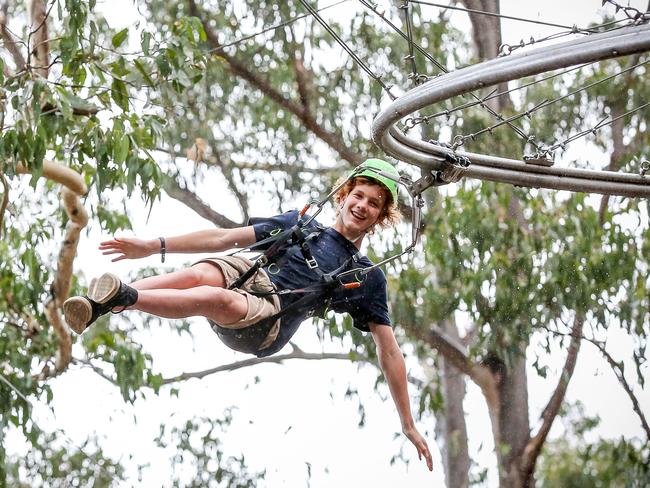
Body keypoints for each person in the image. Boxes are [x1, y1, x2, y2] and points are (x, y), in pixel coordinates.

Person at [63, 159, 433, 471]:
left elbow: (389, 350)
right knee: (199, 275)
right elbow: (224, 239)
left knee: (214, 297)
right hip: (251, 278)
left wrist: (408, 423)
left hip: (266, 323)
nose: (363, 206)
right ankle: (104, 301)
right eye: (359, 196)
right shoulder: (298, 224)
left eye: (374, 203)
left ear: (381, 217)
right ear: (343, 196)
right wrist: (154, 245)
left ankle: (126, 297)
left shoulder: (365, 275)